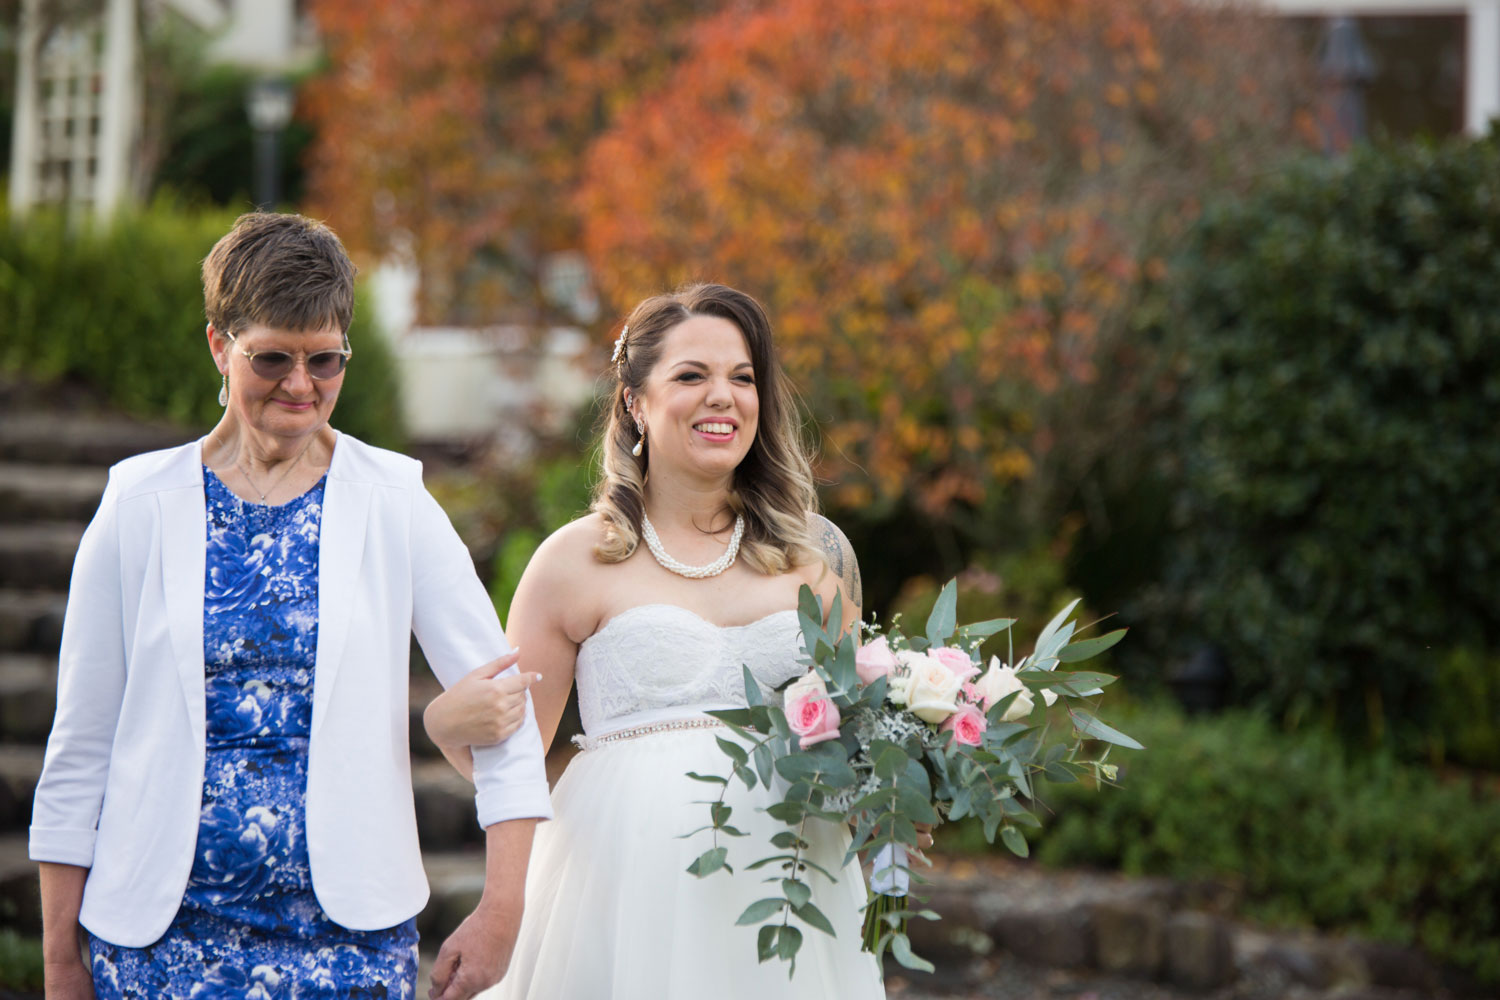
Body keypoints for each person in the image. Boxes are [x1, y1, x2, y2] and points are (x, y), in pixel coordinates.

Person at [29, 212, 551, 1000]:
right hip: (159, 943)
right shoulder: (136, 503)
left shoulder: (394, 501)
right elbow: (79, 748)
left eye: (326, 360)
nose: (302, 385)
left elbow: (508, 714)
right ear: (219, 345)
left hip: (348, 942)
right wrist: (61, 960)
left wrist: (502, 912)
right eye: (272, 357)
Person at [423, 284, 886, 999]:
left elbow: (857, 741)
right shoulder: (573, 563)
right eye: (691, 376)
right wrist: (446, 731)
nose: (722, 397)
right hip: (621, 889)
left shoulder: (811, 566)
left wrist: (908, 783)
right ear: (635, 401)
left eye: (742, 378)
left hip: (790, 890)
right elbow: (512, 758)